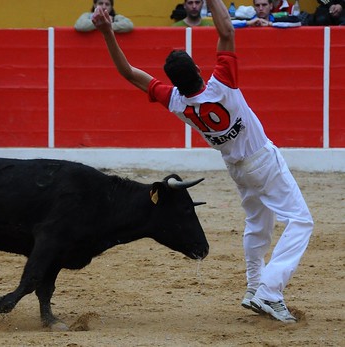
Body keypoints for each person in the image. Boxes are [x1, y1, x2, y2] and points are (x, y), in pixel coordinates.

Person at [91, 0, 313, 323]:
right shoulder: (221, 83)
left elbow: (128, 73)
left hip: (237, 169)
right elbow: (225, 29)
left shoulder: (178, 102)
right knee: (302, 221)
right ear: (197, 69)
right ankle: (270, 290)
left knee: (258, 224)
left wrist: (107, 32)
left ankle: (254, 288)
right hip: (261, 160)